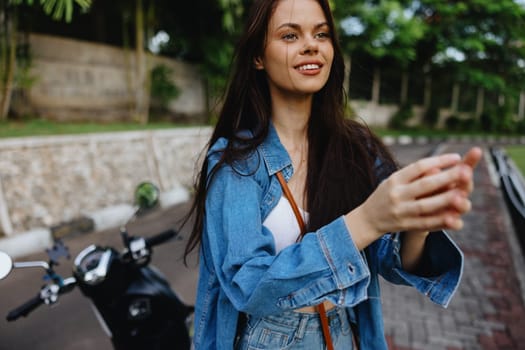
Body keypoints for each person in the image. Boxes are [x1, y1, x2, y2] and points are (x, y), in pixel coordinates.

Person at [183, 0, 483, 348]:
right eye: (290, 35)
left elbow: (393, 260)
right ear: (258, 57)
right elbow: (247, 285)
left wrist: (418, 224)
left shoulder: (357, 148)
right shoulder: (236, 161)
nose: (311, 44)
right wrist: (366, 221)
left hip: (344, 334)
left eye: (321, 34)